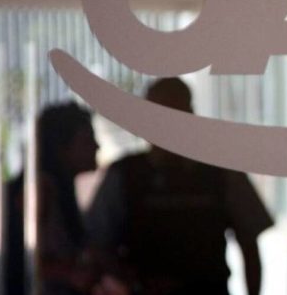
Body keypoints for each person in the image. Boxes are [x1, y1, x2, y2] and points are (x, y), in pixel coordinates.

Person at [86, 78, 273, 295]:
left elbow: (249, 243)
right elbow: (97, 246)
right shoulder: (124, 174)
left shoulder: (221, 172)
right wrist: (129, 281)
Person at [4, 102, 128, 295]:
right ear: (61, 147)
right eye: (87, 140)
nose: (97, 146)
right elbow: (15, 257)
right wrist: (69, 273)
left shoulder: (60, 190)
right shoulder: (40, 191)